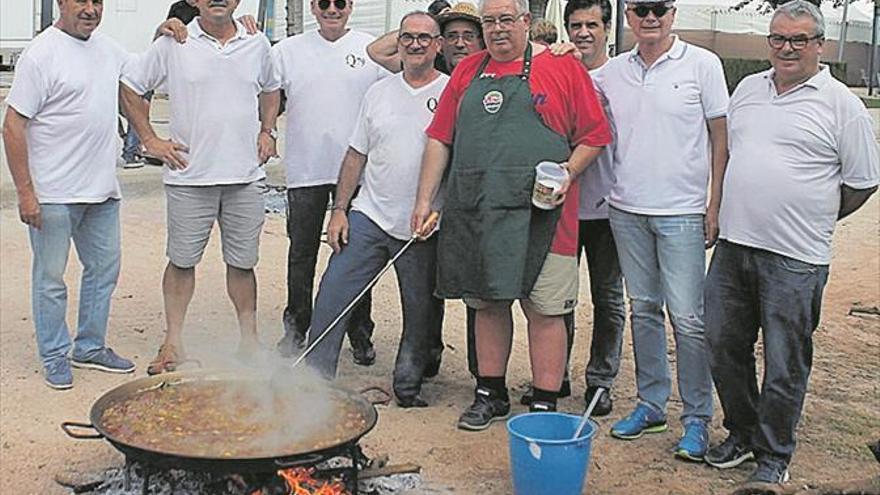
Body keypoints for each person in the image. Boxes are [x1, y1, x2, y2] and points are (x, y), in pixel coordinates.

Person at [411, 0, 610, 430]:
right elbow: (440, 138)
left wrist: (567, 173)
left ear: (525, 22)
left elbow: (595, 135)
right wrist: (424, 201)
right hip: (480, 211)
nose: (498, 29)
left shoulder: (562, 68)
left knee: (545, 309)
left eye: (506, 19)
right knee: (487, 303)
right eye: (490, 21)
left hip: (545, 217)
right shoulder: (466, 72)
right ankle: (490, 393)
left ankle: (543, 402)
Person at [704, 0, 879, 485]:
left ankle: (773, 456)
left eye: (799, 40)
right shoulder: (748, 90)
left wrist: (817, 212)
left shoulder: (842, 104)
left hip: (796, 258)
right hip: (734, 248)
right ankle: (742, 432)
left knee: (785, 361)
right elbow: (734, 156)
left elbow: (863, 182)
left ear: (819, 45)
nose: (786, 48)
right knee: (721, 344)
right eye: (778, 38)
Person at [120, 0, 281, 374]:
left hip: (244, 177)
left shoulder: (257, 43)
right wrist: (150, 139)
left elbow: (271, 89)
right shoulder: (174, 41)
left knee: (243, 264)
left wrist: (267, 130)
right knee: (181, 261)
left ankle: (248, 342)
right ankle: (173, 341)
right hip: (189, 176)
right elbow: (130, 86)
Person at [599, 0, 729, 461]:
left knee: (689, 319)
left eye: (659, 9)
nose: (650, 18)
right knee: (644, 309)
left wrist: (715, 203)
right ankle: (651, 403)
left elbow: (720, 135)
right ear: (629, 16)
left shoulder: (702, 64)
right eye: (640, 9)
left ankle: (697, 417)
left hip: (682, 211)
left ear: (672, 13)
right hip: (626, 209)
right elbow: (571, 87)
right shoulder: (612, 72)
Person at [305, 12, 447, 408]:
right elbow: (355, 155)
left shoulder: (453, 92)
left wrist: (443, 210)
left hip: (424, 224)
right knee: (333, 292)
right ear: (398, 42)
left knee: (420, 310)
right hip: (370, 214)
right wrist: (339, 209)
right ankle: (314, 381)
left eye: (424, 38)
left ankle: (408, 384)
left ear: (438, 46)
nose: (415, 44)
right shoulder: (379, 92)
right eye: (407, 37)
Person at [2, 0, 136, 389]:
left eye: (98, 2)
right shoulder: (41, 54)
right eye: (82, 0)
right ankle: (55, 355)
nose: (91, 9)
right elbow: (12, 127)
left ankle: (90, 347)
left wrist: (170, 30)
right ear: (62, 2)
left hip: (102, 193)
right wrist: (26, 193)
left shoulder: (109, 49)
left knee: (103, 272)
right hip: (54, 195)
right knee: (50, 279)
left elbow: (145, 75)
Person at [272, 0, 388, 363]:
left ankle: (359, 332)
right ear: (312, 7)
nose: (332, 9)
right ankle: (296, 328)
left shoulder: (371, 49)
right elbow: (268, 97)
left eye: (340, 2)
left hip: (354, 172)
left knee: (355, 256)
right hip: (305, 169)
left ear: (350, 6)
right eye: (324, 3)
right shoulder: (287, 51)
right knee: (301, 254)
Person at [526, 0, 626, 416]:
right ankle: (557, 374)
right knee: (556, 298)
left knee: (607, 297)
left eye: (592, 24)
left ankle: (601, 381)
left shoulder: (622, 74)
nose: (584, 32)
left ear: (607, 28)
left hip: (607, 206)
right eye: (576, 25)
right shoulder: (555, 63)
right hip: (558, 208)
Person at [367, 2, 484, 75]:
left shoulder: (489, 73)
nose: (459, 43)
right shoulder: (429, 66)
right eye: (451, 36)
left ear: (481, 42)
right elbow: (376, 51)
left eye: (468, 37)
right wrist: (426, 26)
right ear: (440, 43)